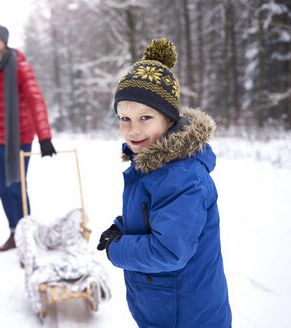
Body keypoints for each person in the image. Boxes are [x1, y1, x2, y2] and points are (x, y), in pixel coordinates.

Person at [97, 38, 232, 327]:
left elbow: (169, 251)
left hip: (187, 316)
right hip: (166, 308)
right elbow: (153, 213)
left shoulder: (182, 176)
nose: (133, 130)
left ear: (169, 120)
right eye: (125, 118)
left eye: (145, 117)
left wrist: (116, 249)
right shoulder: (150, 164)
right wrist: (121, 227)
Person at [0, 23, 56, 252]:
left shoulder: (21, 67)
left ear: (4, 41)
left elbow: (36, 101)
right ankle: (14, 232)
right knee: (2, 188)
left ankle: (27, 238)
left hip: (19, 138)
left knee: (17, 188)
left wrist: (44, 137)